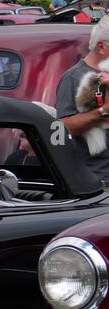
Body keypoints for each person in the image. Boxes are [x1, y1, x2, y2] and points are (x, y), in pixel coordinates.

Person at [56, 17, 109, 184]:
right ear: (101, 46)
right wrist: (103, 111)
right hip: (99, 180)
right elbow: (62, 128)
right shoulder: (73, 78)